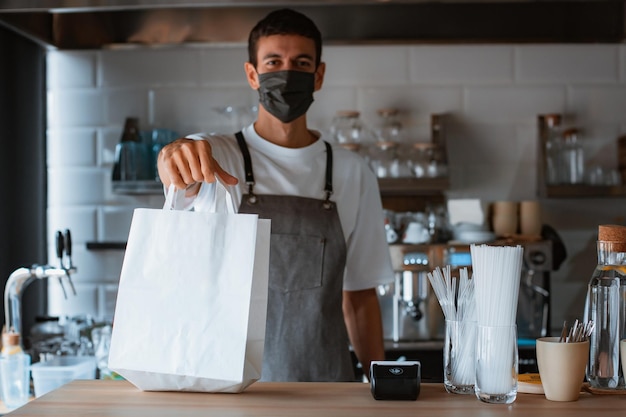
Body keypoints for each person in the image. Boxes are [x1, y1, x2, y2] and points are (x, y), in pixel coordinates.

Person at [157, 8, 394, 382]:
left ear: (318, 75)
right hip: (231, 389)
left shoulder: (352, 171)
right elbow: (179, 162)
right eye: (273, 62)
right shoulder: (219, 156)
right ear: (253, 75)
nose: (287, 74)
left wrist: (379, 385)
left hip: (327, 390)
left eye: (301, 63)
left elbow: (360, 296)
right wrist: (172, 154)